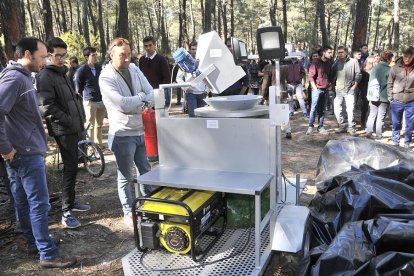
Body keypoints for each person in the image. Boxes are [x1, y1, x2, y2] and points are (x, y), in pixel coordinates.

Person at [0, 37, 76, 268]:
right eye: (42, 56)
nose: (45, 61)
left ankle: (35, 243)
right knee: (39, 204)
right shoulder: (14, 79)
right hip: (24, 152)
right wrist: (6, 148)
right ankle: (48, 254)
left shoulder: (21, 77)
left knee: (23, 200)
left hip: (21, 151)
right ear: (27, 55)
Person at [99, 37, 154, 228]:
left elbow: (151, 92)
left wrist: (140, 100)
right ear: (111, 55)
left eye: (129, 54)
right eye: (122, 55)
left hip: (140, 130)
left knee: (145, 169)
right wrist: (142, 99)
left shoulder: (134, 68)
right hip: (122, 134)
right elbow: (122, 104)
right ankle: (128, 211)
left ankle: (150, 203)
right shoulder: (106, 77)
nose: (127, 59)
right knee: (125, 176)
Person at [37, 37, 89, 229]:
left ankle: (72, 203)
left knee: (73, 167)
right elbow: (47, 107)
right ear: (49, 55)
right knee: (70, 168)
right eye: (56, 55)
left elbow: (71, 100)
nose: (61, 58)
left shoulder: (62, 73)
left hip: (73, 128)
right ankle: (66, 212)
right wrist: (68, 121)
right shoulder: (45, 76)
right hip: (63, 130)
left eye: (63, 55)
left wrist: (80, 120)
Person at [74, 47, 106, 147]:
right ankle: (91, 147)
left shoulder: (99, 68)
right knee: (90, 125)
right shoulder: (82, 70)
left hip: (101, 100)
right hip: (89, 101)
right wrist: (85, 96)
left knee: (99, 124)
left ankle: (98, 145)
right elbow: (77, 86)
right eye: (93, 55)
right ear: (86, 57)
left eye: (96, 54)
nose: (95, 57)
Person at [387, 46, 414, 148]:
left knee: (410, 124)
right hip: (396, 99)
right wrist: (390, 97)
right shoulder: (395, 67)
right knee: (396, 123)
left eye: (410, 57)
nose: (407, 59)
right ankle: (395, 143)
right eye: (405, 56)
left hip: (411, 100)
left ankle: (407, 142)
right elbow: (389, 83)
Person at [332, 46, 362, 135]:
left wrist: (355, 85)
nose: (340, 54)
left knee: (350, 109)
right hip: (338, 90)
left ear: (346, 53)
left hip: (349, 90)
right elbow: (333, 75)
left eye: (342, 52)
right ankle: (342, 126)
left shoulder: (353, 62)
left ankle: (351, 127)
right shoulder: (336, 63)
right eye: (338, 52)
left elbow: (358, 74)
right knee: (337, 110)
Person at [306, 46, 334, 135]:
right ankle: (310, 127)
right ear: (324, 53)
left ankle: (320, 127)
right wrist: (314, 88)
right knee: (313, 108)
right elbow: (310, 76)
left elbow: (330, 76)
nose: (331, 54)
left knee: (322, 109)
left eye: (331, 52)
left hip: (325, 90)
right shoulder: (315, 62)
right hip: (317, 89)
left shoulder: (329, 63)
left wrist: (329, 85)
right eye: (329, 52)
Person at [176, 41, 209, 117]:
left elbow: (209, 76)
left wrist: (207, 89)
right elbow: (178, 78)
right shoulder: (184, 62)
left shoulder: (205, 61)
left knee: (202, 116)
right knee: (193, 115)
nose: (195, 51)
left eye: (196, 49)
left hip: (202, 93)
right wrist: (186, 88)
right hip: (191, 93)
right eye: (193, 49)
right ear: (190, 50)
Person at [366, 50, 394, 139]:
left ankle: (368, 132)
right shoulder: (389, 70)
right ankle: (378, 134)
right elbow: (390, 84)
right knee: (380, 117)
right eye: (391, 58)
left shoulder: (375, 68)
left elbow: (370, 82)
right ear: (389, 58)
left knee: (372, 115)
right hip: (384, 97)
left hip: (373, 95)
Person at [262, 60, 292, 139]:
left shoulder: (268, 68)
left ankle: (270, 131)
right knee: (284, 112)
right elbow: (288, 79)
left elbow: (265, 83)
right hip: (283, 91)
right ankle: (288, 131)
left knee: (271, 113)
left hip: (272, 93)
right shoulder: (285, 67)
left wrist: (263, 95)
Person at [138, 36, 171, 106]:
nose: (148, 48)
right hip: (145, 94)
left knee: (159, 115)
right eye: (146, 46)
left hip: (158, 93)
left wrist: (159, 90)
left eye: (150, 45)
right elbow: (139, 76)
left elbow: (167, 78)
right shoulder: (142, 60)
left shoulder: (161, 59)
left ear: (154, 45)